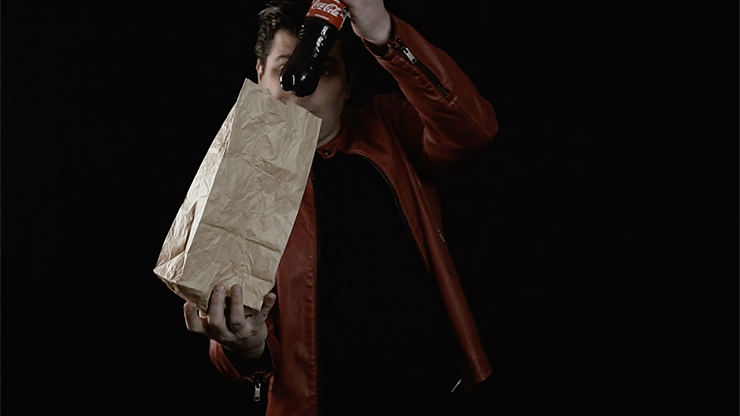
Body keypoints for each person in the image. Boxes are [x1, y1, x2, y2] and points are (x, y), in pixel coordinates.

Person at [183, 1, 498, 414]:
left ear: (348, 85)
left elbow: (473, 131)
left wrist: (385, 34)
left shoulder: (391, 126)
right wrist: (245, 347)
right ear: (260, 77)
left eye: (324, 69)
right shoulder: (237, 182)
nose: (302, 85)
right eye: (285, 69)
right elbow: (232, 340)